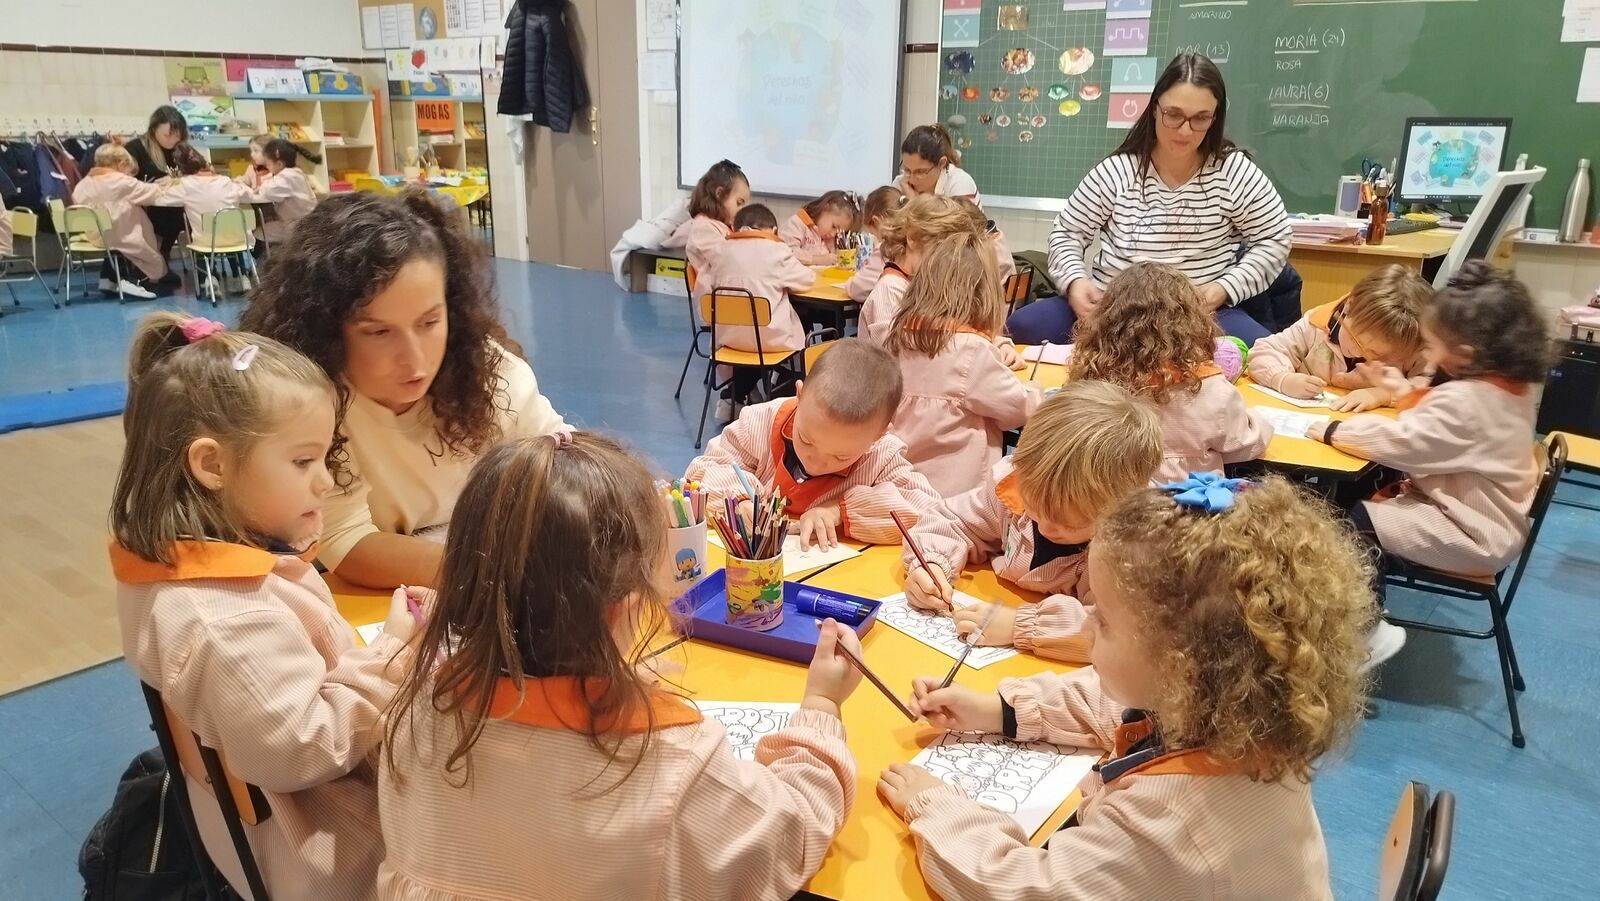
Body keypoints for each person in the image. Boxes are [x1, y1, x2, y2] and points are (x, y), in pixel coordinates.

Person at [377, 432, 860, 899]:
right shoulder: (669, 761)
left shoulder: (415, 709)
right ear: (628, 607)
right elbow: (794, 837)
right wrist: (820, 706)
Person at [880, 476, 1373, 899]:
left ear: (1178, 666)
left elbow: (1024, 889)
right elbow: (1109, 703)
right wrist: (998, 711)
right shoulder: (1237, 708)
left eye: (1105, 621)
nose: (1086, 626)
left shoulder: (1167, 823)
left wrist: (937, 807)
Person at [110, 312, 423, 899]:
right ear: (212, 466)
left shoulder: (175, 567)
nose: (325, 482)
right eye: (303, 462)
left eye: (325, 458)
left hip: (278, 837)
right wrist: (393, 652)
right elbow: (302, 746)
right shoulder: (228, 618)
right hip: (343, 858)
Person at [240, 189, 568, 589]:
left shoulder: (487, 371)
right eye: (379, 332)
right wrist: (497, 572)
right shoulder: (302, 407)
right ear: (325, 329)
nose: (415, 361)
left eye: (430, 322)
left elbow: (559, 459)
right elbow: (347, 543)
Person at [1007, 53, 1292, 347]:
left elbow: (1274, 239)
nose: (1185, 130)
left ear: (1215, 117)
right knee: (1022, 326)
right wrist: (1076, 283)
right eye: (1174, 114)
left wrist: (1222, 289)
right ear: (1155, 109)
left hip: (1201, 314)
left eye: (1200, 119)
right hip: (1114, 310)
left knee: (1263, 352)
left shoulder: (1235, 172)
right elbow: (1067, 233)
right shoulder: (1117, 170)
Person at [1313, 262, 1549, 581]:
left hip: (1471, 536)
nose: (1430, 356)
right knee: (1359, 512)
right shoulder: (1509, 388)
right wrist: (1399, 391)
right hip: (1492, 526)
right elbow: (1441, 432)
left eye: (1431, 345)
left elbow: (1405, 443)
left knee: (1350, 526)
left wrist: (1334, 431)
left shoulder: (1468, 401)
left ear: (1464, 353)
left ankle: (1368, 623)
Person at [902, 381, 1161, 663]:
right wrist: (931, 563)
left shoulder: (1131, 549)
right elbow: (952, 520)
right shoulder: (1011, 486)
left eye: (1070, 524)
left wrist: (1020, 626)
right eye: (1035, 508)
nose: (1047, 528)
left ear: (1120, 509)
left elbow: (1123, 632)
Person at [685, 339, 943, 549]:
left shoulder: (881, 456)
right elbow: (702, 472)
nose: (814, 461)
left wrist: (839, 512)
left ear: (878, 436)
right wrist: (740, 501)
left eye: (841, 457)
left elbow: (927, 510)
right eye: (806, 440)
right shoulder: (761, 422)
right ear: (799, 395)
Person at [1069, 262, 1270, 483]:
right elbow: (1245, 446)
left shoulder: (1093, 379)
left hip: (1112, 503)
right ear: (1192, 323)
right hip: (1184, 507)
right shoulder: (1209, 390)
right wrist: (1260, 421)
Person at [885, 232, 1042, 496]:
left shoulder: (902, 336)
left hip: (901, 484)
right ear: (984, 293)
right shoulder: (971, 351)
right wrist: (1036, 390)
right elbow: (1017, 409)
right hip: (958, 498)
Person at [1250, 263, 1434, 412]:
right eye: (1358, 341)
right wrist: (1283, 379)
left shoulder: (1412, 342)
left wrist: (1384, 394)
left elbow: (1435, 390)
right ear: (1348, 307)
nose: (1360, 351)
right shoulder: (1316, 325)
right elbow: (1263, 351)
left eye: (1381, 355)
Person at [859, 195, 982, 346]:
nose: (950, 261)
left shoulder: (926, 282)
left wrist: (1000, 344)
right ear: (913, 238)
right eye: (941, 250)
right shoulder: (890, 290)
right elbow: (891, 355)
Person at [71, 144, 171, 298]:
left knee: (116, 244)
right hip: (119, 234)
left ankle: (108, 279)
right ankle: (133, 280)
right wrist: (166, 183)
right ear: (121, 164)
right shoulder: (121, 182)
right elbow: (151, 194)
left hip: (95, 235)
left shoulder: (82, 184)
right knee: (152, 257)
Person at [157, 145, 256, 293]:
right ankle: (240, 276)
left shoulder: (185, 185)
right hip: (239, 239)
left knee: (199, 238)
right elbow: (249, 195)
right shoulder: (226, 181)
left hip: (207, 242)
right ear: (207, 165)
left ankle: (209, 278)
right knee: (229, 234)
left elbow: (160, 199)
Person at [666, 159, 750, 310]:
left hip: (732, 293)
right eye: (739, 203)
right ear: (719, 194)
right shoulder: (703, 228)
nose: (741, 210)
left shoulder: (723, 226)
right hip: (719, 303)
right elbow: (730, 260)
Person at [124, 105, 190, 269]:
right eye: (167, 135)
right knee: (167, 219)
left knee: (186, 216)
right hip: (144, 208)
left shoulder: (180, 149)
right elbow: (124, 183)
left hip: (173, 207)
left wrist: (177, 179)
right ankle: (154, 264)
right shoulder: (135, 149)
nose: (172, 141)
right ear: (153, 130)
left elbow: (195, 174)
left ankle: (161, 262)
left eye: (177, 136)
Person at [240, 138, 320, 246]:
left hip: (299, 225)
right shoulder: (294, 173)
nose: (267, 166)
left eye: (268, 163)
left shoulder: (287, 176)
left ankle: (266, 260)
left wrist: (262, 186)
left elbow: (269, 192)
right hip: (302, 221)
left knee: (260, 233)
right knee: (264, 230)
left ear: (279, 164)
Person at [844, 185, 907, 301]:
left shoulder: (886, 250)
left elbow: (857, 288)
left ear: (876, 222)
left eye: (873, 234)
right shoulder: (915, 243)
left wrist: (849, 284)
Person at [895, 124, 981, 207]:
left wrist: (914, 203)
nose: (912, 180)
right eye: (907, 170)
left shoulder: (960, 183)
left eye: (920, 172)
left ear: (941, 164)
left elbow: (955, 222)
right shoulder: (902, 182)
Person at [779, 190, 860, 266]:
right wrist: (817, 259)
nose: (833, 234)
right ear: (824, 208)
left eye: (838, 233)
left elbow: (833, 261)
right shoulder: (797, 223)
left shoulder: (828, 239)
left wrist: (832, 248)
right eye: (834, 226)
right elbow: (785, 253)